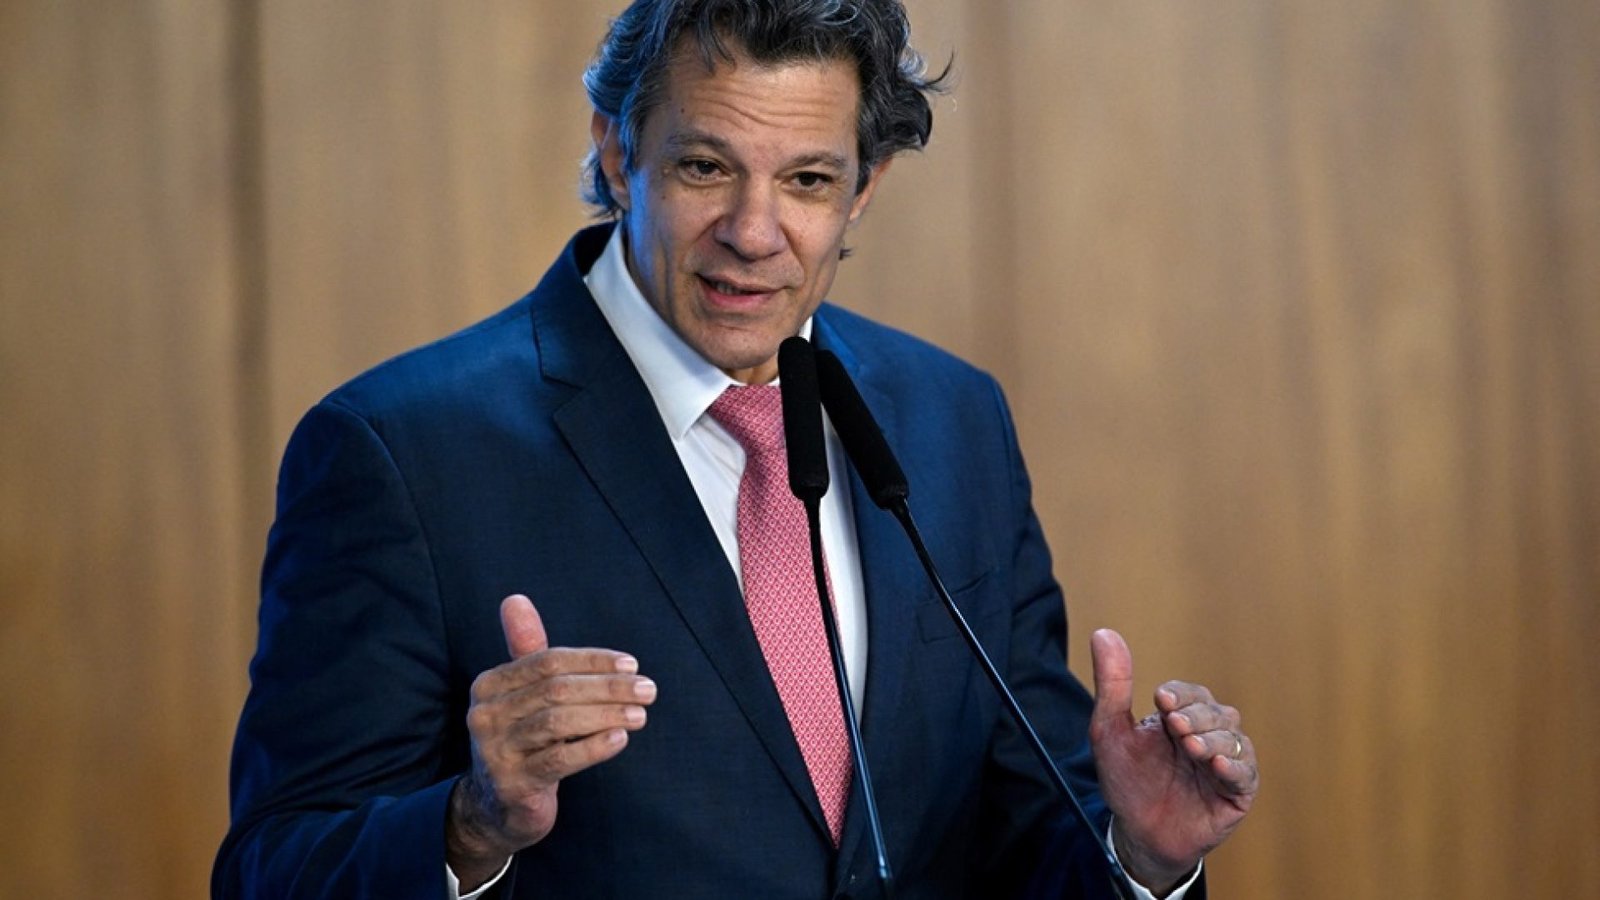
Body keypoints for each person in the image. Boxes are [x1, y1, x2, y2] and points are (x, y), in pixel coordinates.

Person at [214, 1, 1259, 897]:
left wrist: (1138, 856)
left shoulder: (952, 420)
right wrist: (468, 826)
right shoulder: (400, 452)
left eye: (807, 180)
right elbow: (274, 867)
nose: (754, 232)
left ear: (863, 189)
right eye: (706, 166)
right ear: (619, 151)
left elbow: (1027, 829)